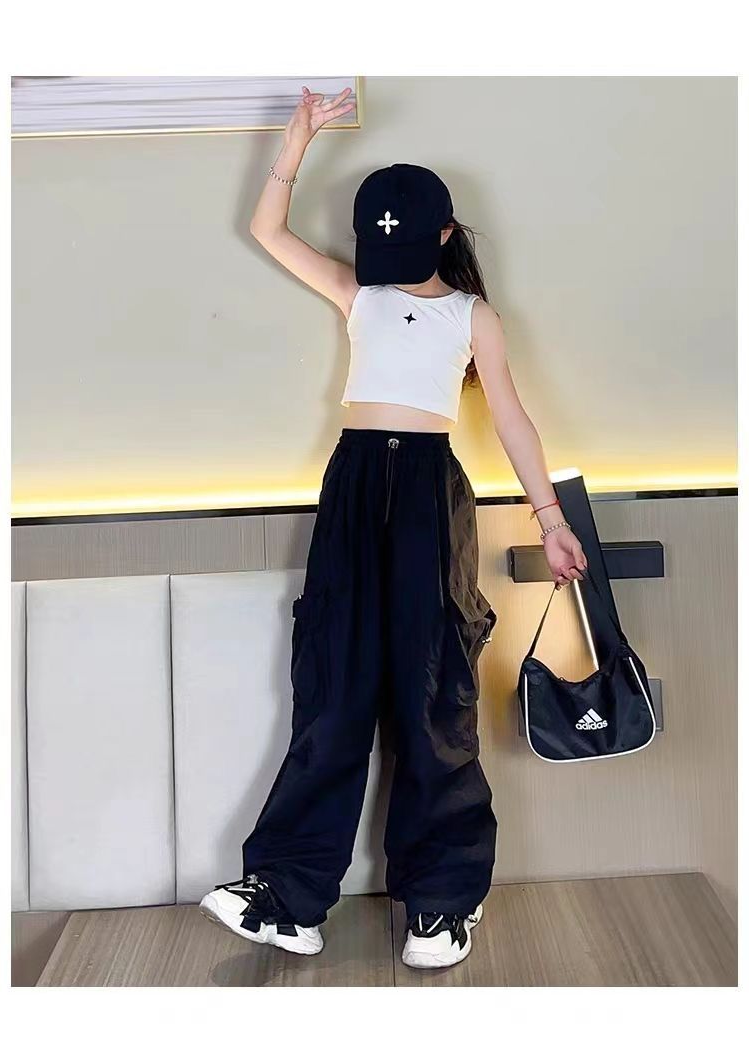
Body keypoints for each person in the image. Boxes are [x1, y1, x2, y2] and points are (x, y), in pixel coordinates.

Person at [200, 86, 587, 970]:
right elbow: (267, 231)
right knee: (334, 689)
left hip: (427, 491)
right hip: (353, 484)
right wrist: (296, 140)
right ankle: (289, 897)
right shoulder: (361, 292)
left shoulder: (472, 316)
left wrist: (551, 519)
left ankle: (441, 903)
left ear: (445, 235)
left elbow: (512, 418)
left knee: (432, 691)